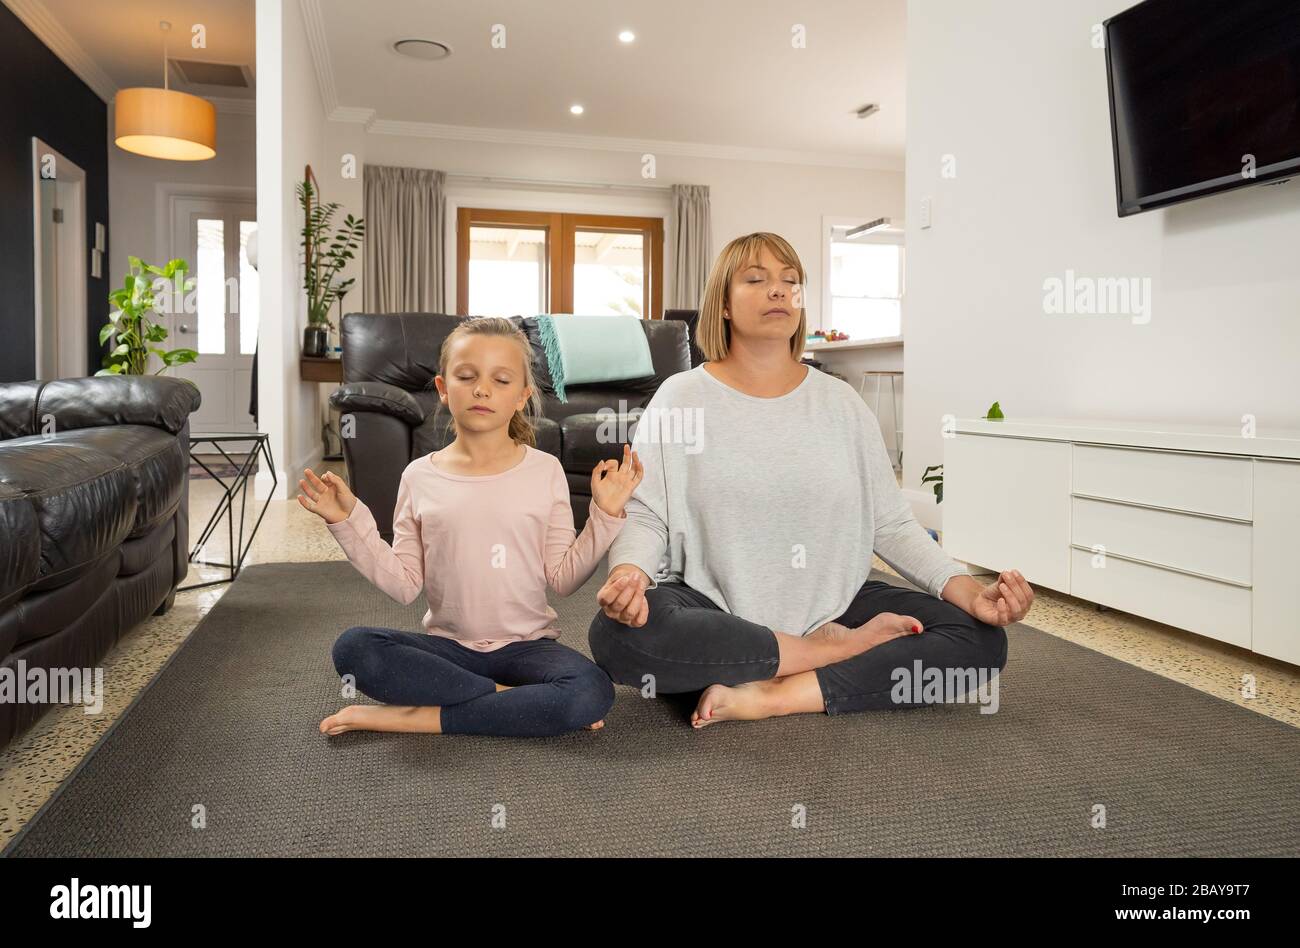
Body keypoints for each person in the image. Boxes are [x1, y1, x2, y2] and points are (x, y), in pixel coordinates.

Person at [589, 232, 1031, 728]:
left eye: (791, 281)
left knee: (979, 638)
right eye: (756, 279)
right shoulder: (680, 397)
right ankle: (824, 655)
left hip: (835, 603)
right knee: (616, 635)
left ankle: (780, 692)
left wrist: (970, 592)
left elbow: (890, 523)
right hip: (712, 604)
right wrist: (628, 576)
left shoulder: (841, 403)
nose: (779, 291)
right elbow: (647, 514)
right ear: (725, 306)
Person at [300, 316, 642, 737]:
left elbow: (564, 579)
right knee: (354, 648)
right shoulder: (418, 476)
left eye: (501, 380)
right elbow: (405, 584)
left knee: (592, 690)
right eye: (467, 376)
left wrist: (603, 515)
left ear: (522, 396)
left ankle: (421, 716)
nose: (482, 389)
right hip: (448, 650)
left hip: (528, 649)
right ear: (444, 390)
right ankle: (510, 700)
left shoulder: (545, 471)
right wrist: (348, 521)